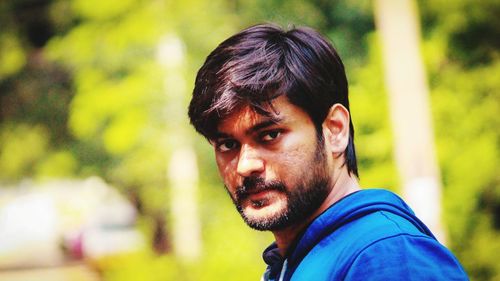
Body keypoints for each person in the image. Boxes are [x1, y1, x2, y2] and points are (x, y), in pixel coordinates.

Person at [188, 23, 468, 280]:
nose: (244, 166)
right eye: (227, 144)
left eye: (270, 135)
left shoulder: (389, 256)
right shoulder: (299, 263)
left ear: (335, 130)